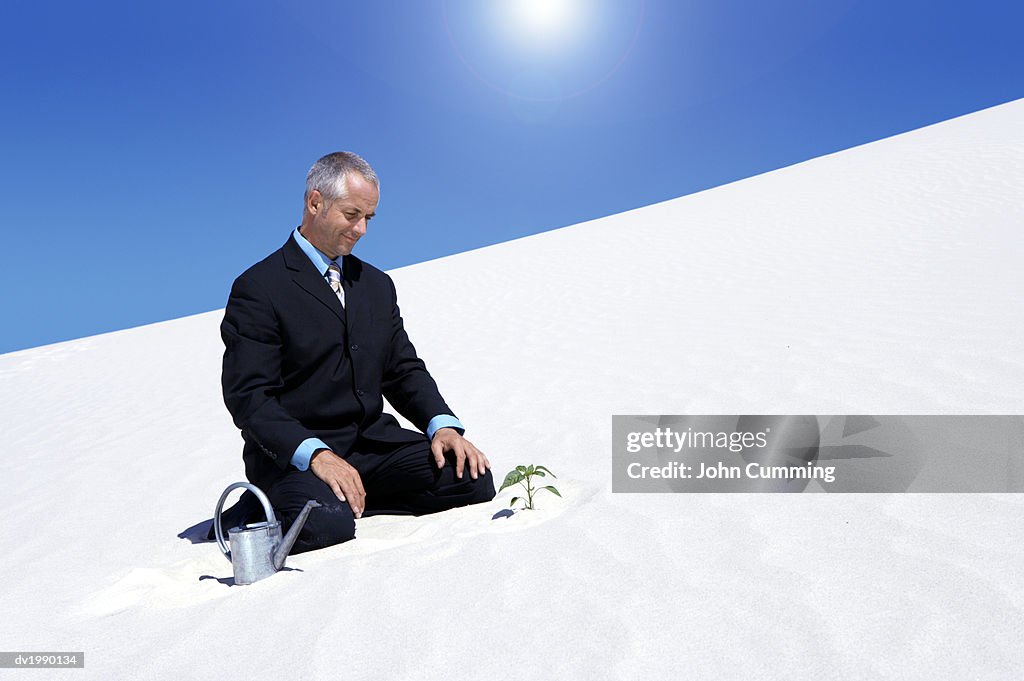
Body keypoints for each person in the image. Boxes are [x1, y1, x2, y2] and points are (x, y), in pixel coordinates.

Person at [210, 151, 496, 554]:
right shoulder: (259, 287)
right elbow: (249, 397)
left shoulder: (376, 285)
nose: (361, 229)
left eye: (369, 218)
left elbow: (402, 368)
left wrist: (442, 426)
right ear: (315, 203)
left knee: (471, 478)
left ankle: (353, 496)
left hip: (372, 449)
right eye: (351, 214)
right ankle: (269, 507)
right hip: (299, 459)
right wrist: (316, 456)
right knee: (325, 521)